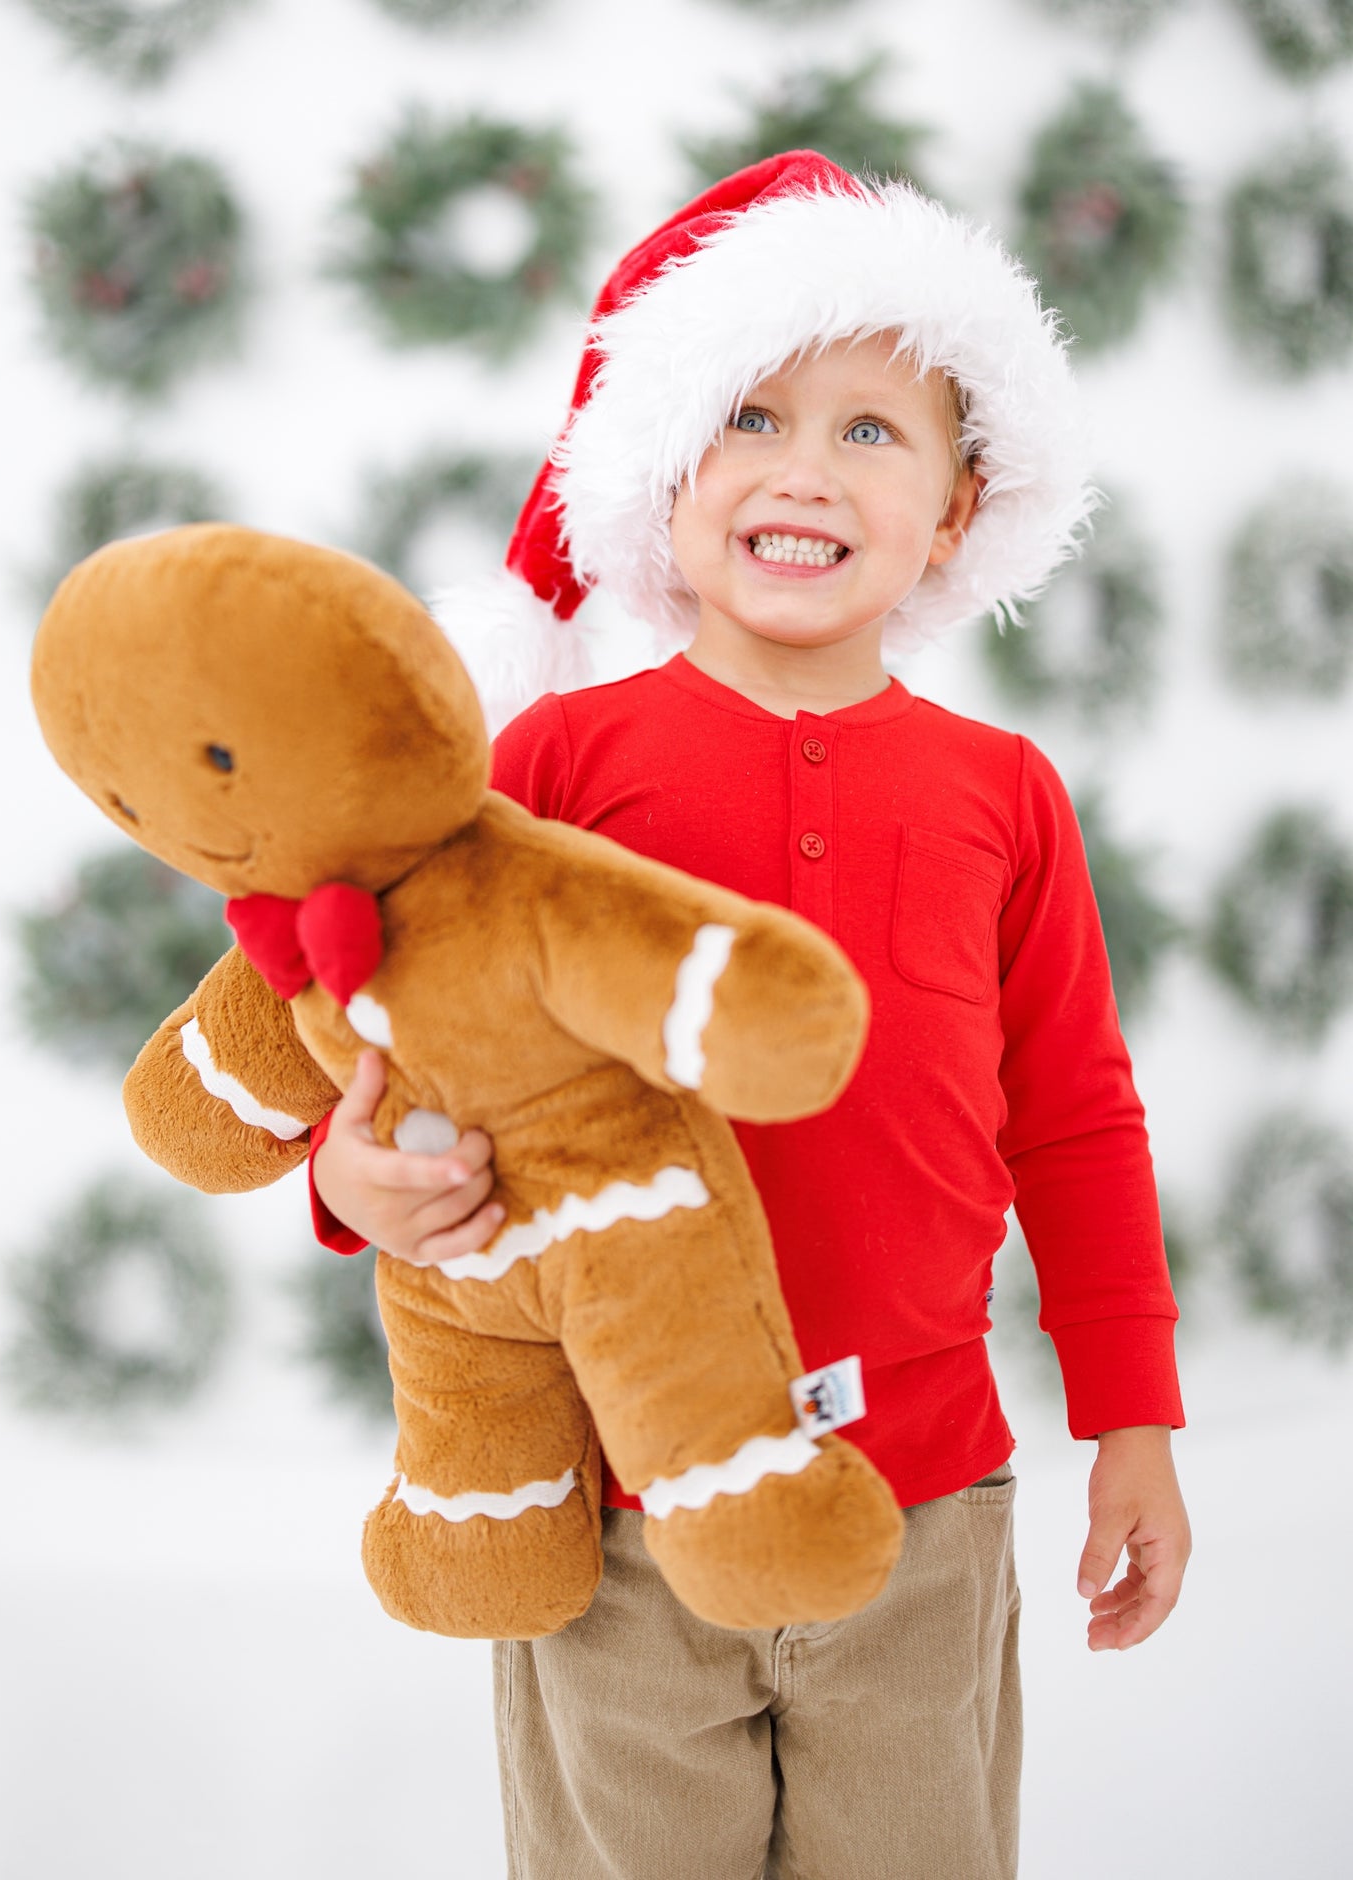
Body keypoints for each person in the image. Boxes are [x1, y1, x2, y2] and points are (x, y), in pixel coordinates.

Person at [310, 152, 1191, 1879]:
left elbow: (1076, 1117)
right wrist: (356, 1180)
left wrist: (1134, 1425)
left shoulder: (1005, 796)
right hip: (619, 1506)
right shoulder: (547, 773)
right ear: (659, 476)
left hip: (922, 1510)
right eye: (752, 418)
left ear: (957, 510)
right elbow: (396, 1070)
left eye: (873, 429)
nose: (807, 470)